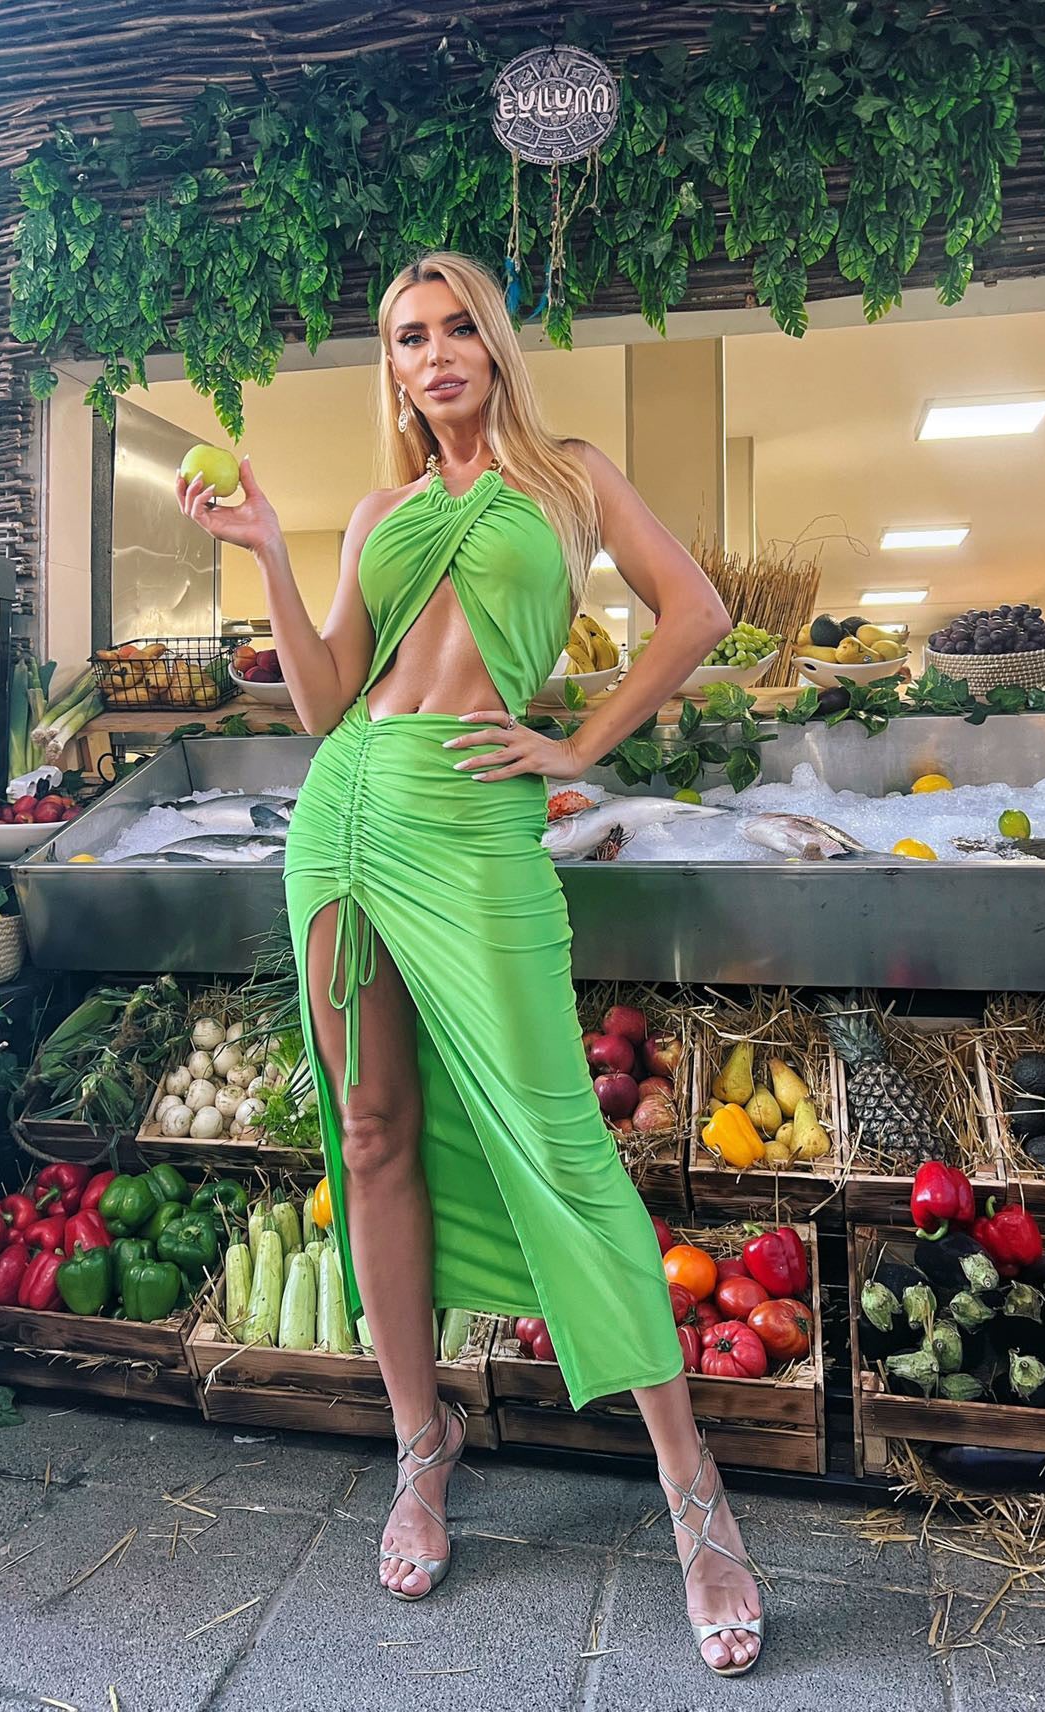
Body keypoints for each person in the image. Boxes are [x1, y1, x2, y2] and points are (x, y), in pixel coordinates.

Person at [177, 251, 762, 1676]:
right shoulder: (382, 510)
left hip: (476, 826)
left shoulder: (569, 479)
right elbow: (323, 702)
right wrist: (268, 549)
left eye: (454, 331)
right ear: (390, 367)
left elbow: (697, 612)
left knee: (560, 1138)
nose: (432, 355)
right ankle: (419, 1441)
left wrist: (579, 743)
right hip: (345, 821)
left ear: (495, 347)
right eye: (405, 338)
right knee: (372, 1131)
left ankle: (693, 1489)